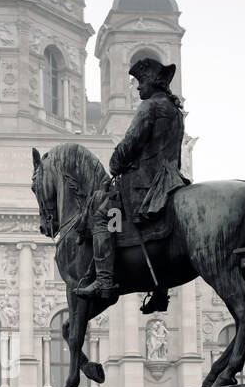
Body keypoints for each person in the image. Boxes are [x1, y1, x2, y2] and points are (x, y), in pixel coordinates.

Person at [76, 58, 187, 301]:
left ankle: (104, 280)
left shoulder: (150, 107)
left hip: (144, 183)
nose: (137, 88)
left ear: (151, 82)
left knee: (103, 217)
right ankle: (160, 291)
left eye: (140, 82)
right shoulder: (175, 111)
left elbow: (131, 142)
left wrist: (116, 161)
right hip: (171, 180)